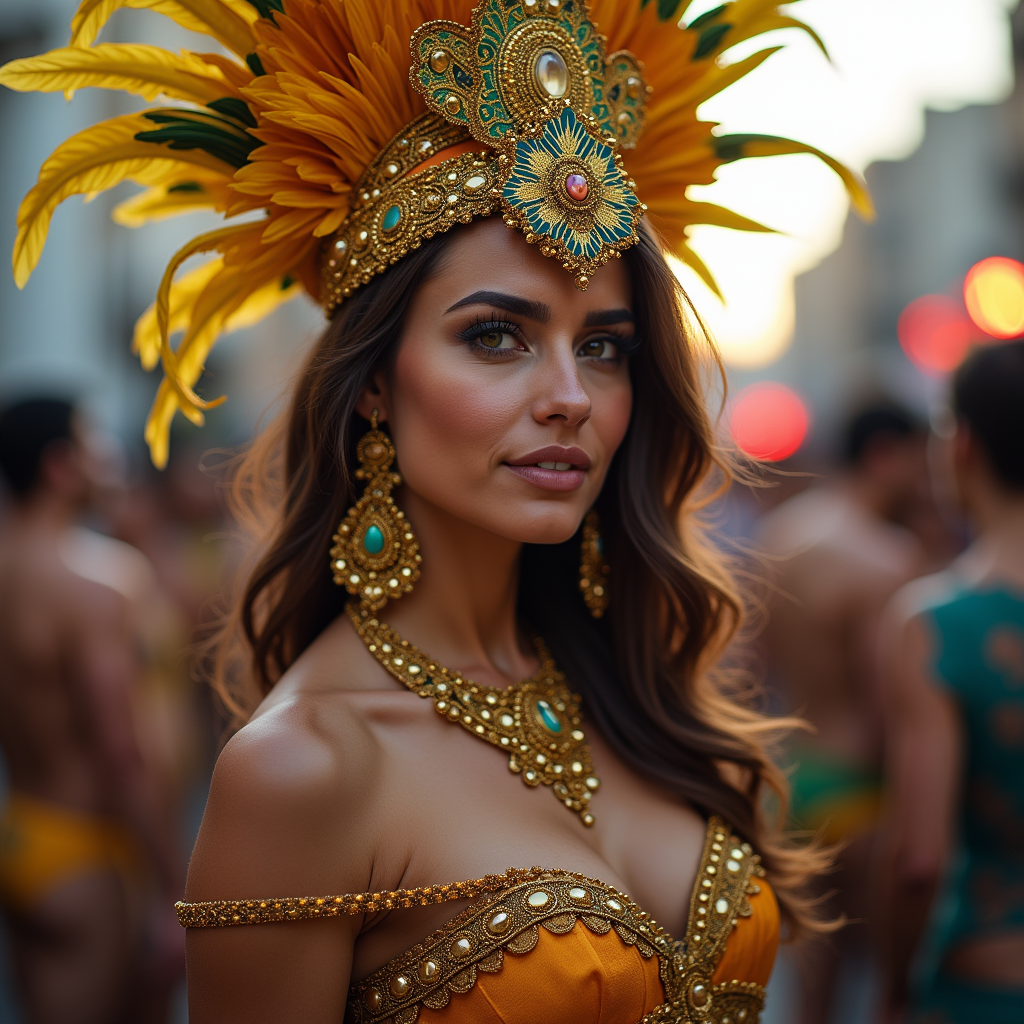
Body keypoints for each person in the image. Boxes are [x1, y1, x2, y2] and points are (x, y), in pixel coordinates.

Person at [2, 0, 875, 1019]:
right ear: (375, 383)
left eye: (604, 346)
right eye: (497, 336)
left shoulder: (642, 691)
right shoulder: (303, 766)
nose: (571, 395)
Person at [0, 399, 183, 1024]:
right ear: (59, 465)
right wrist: (172, 884)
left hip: (24, 829)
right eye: (92, 440)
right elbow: (121, 751)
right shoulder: (91, 586)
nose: (106, 455)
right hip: (91, 852)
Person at [754, 403, 931, 1023]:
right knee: (891, 985)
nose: (927, 477)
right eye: (918, 458)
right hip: (863, 791)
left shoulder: (781, 534)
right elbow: (893, 708)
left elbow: (752, 668)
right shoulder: (888, 557)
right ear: (885, 454)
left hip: (794, 781)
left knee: (814, 990)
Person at [881, 340, 1024, 1024]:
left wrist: (891, 989)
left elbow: (919, 858)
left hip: (985, 988)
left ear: (961, 444)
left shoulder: (934, 624)